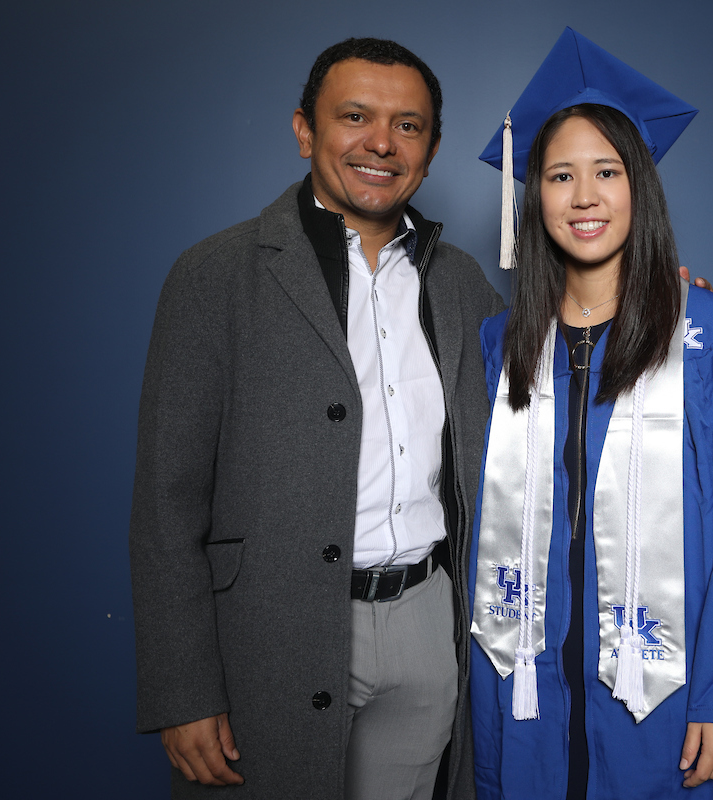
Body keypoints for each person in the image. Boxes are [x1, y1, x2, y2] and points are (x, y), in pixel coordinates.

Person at [129, 37, 503, 800]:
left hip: (427, 620)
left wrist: (671, 304)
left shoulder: (463, 285)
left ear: (430, 152)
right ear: (305, 130)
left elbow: (555, 385)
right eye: (356, 116)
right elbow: (166, 501)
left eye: (408, 125)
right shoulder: (214, 276)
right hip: (271, 627)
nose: (381, 143)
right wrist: (182, 689)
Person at [467, 29, 713, 799]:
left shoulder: (712, 334)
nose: (584, 196)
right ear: (534, 196)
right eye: (560, 175)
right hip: (524, 686)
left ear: (640, 187)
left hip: (669, 691)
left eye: (607, 172)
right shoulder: (500, 345)